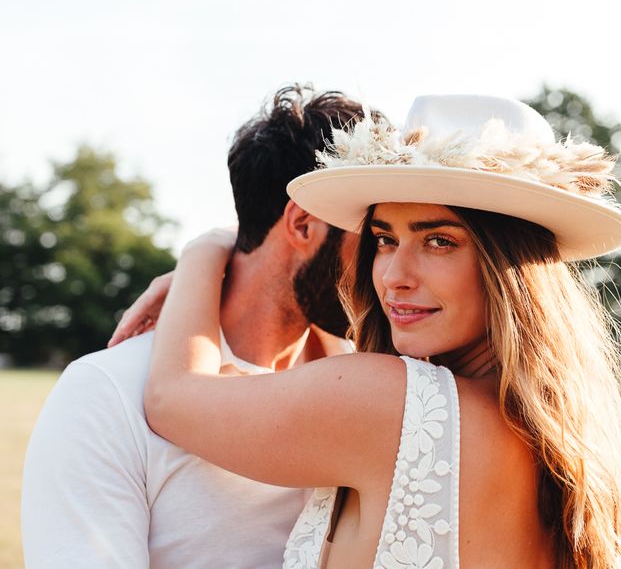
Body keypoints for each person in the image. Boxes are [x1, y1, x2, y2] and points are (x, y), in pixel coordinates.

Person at [132, 95, 621, 568]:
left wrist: (205, 251)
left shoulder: (388, 400)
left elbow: (172, 397)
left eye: (439, 241)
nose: (393, 276)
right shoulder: (557, 433)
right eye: (386, 239)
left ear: (509, 266)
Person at [21, 85, 374, 569]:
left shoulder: (373, 382)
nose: (390, 271)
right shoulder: (106, 394)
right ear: (303, 225)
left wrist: (207, 248)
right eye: (376, 238)